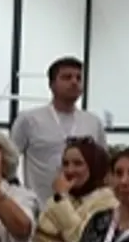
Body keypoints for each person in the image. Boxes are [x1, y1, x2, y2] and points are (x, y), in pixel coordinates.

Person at [11, 57, 107, 204]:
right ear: (51, 84)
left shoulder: (93, 122)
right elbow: (9, 158)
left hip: (85, 209)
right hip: (40, 206)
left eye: (79, 78)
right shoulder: (29, 119)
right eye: (67, 77)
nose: (74, 82)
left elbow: (103, 167)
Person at [34, 137, 116, 242]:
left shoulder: (109, 200)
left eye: (78, 164)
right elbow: (40, 236)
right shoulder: (59, 198)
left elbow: (80, 239)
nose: (70, 170)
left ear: (95, 167)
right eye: (65, 164)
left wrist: (61, 198)